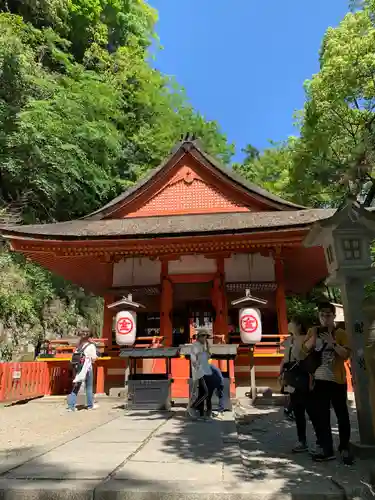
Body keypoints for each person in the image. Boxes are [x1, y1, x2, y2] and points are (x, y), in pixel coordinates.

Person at [300, 302, 353, 464]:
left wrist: (333, 343)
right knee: (321, 416)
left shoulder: (341, 333)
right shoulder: (312, 331)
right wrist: (314, 338)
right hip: (319, 380)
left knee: (341, 414)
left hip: (337, 380)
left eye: (328, 315)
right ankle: (326, 448)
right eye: (322, 315)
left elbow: (346, 355)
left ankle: (344, 447)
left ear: (334, 316)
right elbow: (303, 351)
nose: (325, 318)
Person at [280, 317, 316, 453]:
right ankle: (302, 440)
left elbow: (306, 356)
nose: (288, 324)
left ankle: (320, 440)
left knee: (310, 409)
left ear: (298, 325)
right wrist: (281, 373)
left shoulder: (305, 338)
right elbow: (284, 359)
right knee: (298, 410)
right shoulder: (288, 340)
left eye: (291, 322)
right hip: (290, 372)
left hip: (301, 372)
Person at [67, 329, 98, 412]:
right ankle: (90, 405)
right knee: (89, 387)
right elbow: (94, 358)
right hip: (87, 368)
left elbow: (74, 357)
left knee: (76, 387)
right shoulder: (91, 346)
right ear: (89, 338)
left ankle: (71, 406)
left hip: (79, 368)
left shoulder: (79, 346)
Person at [188, 328, 214, 421]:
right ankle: (194, 406)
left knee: (203, 392)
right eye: (202, 336)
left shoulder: (206, 345)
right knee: (206, 392)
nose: (204, 338)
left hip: (205, 370)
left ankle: (201, 412)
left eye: (206, 336)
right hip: (199, 371)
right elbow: (193, 358)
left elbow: (208, 356)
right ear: (198, 337)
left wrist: (208, 349)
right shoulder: (195, 345)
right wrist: (197, 366)